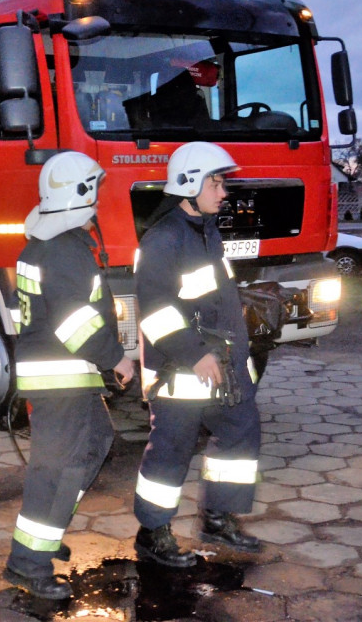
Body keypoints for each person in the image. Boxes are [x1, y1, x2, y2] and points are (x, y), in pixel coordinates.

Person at [3, 152, 135, 601]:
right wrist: (116, 358)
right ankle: (28, 563)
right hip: (62, 376)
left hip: (58, 375)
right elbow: (74, 323)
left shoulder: (46, 243)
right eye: (94, 186)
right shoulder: (63, 248)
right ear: (82, 192)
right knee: (58, 468)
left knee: (94, 444)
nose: (99, 195)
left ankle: (44, 532)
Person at [133, 141, 262, 568]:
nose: (223, 192)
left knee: (240, 431)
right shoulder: (163, 239)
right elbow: (155, 309)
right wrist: (193, 354)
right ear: (189, 184)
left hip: (221, 362)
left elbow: (218, 298)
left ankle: (217, 517)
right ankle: (153, 533)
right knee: (172, 447)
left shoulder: (206, 230)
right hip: (183, 368)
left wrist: (240, 349)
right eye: (216, 182)